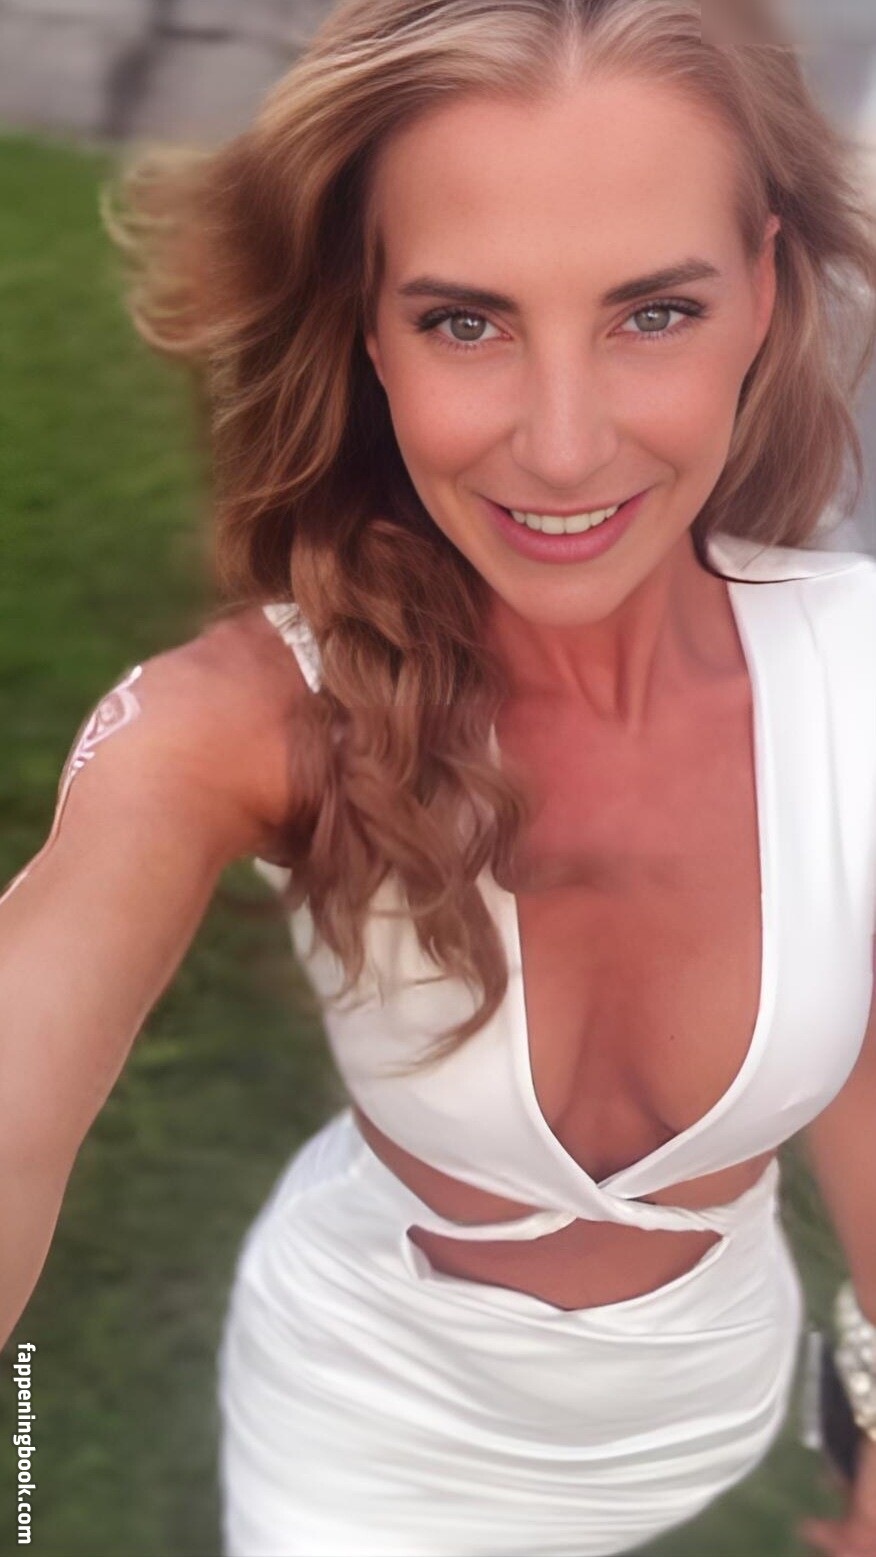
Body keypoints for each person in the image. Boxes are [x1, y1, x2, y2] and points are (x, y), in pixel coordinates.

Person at [3, 0, 876, 1553]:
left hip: (708, 1394)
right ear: (365, 325)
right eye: (466, 322)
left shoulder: (855, 680)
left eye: (653, 312)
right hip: (365, 1440)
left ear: (763, 283)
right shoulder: (235, 726)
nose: (563, 447)